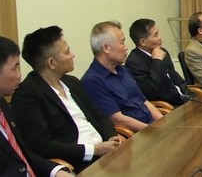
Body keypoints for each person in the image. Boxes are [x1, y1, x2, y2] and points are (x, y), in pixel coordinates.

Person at [11, 26, 122, 173]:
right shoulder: (27, 96)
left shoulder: (72, 82)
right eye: (67, 52)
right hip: (80, 163)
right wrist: (93, 150)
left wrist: (111, 138)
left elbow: (98, 115)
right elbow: (41, 145)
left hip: (107, 152)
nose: (73, 55)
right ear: (52, 63)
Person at [0, 36, 73, 177]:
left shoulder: (3, 105)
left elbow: (23, 154)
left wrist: (56, 171)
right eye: (14, 68)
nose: (19, 75)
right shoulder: (26, 95)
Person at [82, 21, 163, 132]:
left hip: (152, 126)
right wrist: (155, 130)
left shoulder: (123, 70)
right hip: (135, 135)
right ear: (106, 48)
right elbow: (118, 119)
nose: (126, 48)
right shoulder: (92, 80)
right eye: (122, 42)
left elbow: (145, 102)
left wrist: (164, 123)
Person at [125, 18, 189, 106]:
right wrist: (157, 62)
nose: (160, 37)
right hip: (168, 106)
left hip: (184, 98)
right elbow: (151, 91)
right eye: (155, 35)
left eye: (158, 33)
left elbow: (176, 78)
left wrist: (188, 94)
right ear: (143, 42)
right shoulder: (134, 62)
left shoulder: (163, 51)